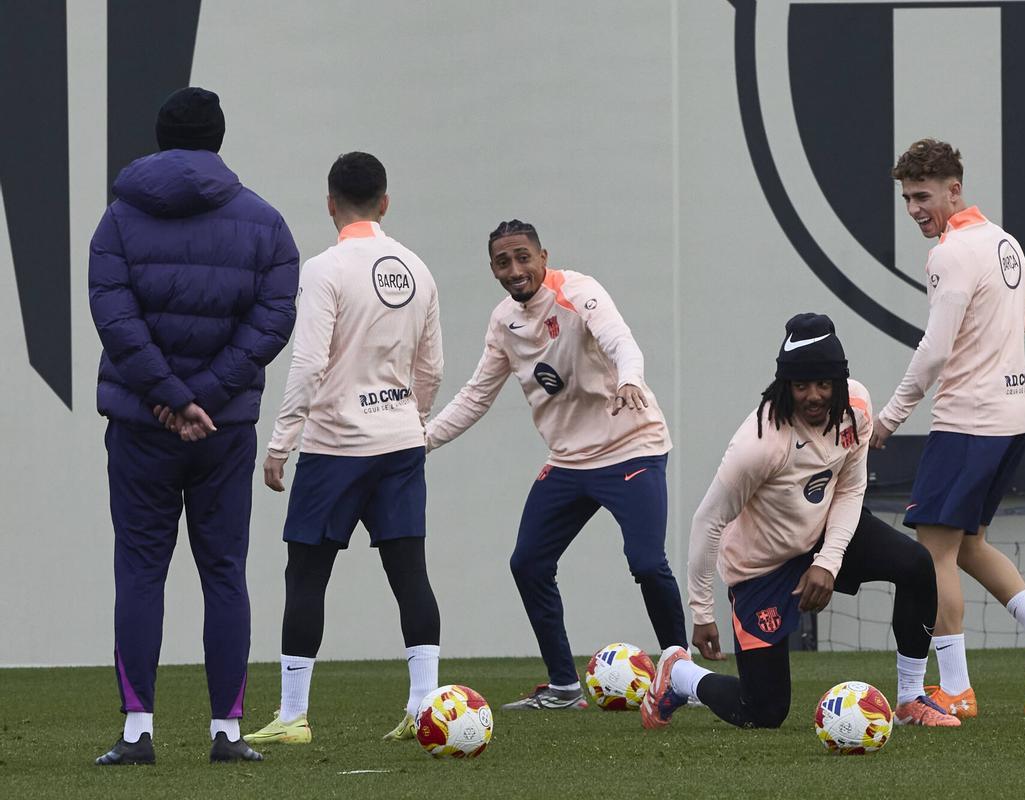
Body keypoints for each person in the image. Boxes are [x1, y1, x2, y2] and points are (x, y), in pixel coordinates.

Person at [88, 87, 298, 765]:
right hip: (224, 430)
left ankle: (137, 733)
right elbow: (272, 320)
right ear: (220, 138)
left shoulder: (118, 220)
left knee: (140, 570)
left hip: (142, 427)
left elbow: (115, 318)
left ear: (158, 134)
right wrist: (203, 398)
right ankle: (228, 734)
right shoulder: (266, 223)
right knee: (225, 572)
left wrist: (170, 398)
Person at [641, 313, 958, 730]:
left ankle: (911, 699)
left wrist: (827, 561)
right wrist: (701, 612)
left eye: (824, 383)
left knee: (916, 565)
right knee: (764, 712)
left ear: (839, 383)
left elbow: (849, 487)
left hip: (822, 531)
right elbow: (708, 522)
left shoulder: (856, 407)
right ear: (784, 385)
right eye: (801, 384)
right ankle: (679, 674)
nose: (813, 395)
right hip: (762, 566)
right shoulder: (758, 444)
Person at [870, 138, 1025, 717]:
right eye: (907, 198)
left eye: (923, 196)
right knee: (969, 545)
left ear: (954, 189)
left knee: (932, 554)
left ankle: (957, 689)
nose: (915, 208)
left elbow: (934, 352)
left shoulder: (950, 254)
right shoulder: (1004, 242)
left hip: (968, 423)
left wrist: (889, 420)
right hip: (1013, 419)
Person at [424, 219, 687, 710]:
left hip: (632, 445)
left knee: (647, 563)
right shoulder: (504, 321)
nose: (516, 269)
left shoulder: (578, 292)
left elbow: (620, 341)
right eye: (504, 262)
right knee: (528, 563)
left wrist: (630, 378)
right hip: (569, 461)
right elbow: (475, 396)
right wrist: (422, 443)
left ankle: (681, 677)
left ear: (544, 256)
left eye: (524, 257)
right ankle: (565, 686)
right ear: (493, 269)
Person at [243, 152, 444, 746]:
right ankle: (425, 708)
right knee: (410, 573)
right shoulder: (419, 268)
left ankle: (294, 716)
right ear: (385, 201)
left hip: (333, 448)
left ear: (331, 203)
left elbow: (307, 362)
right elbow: (431, 366)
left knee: (306, 575)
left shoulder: (325, 269)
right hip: (401, 442)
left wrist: (281, 442)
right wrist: (413, 417)